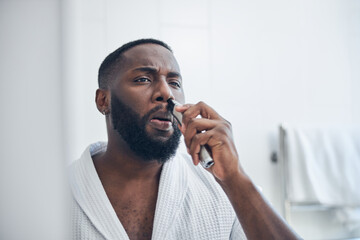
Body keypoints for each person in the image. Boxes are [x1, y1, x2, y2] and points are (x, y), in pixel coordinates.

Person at [69, 38, 300, 240]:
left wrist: (235, 178)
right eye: (143, 79)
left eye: (175, 83)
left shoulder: (223, 189)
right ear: (103, 101)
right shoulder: (57, 193)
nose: (166, 93)